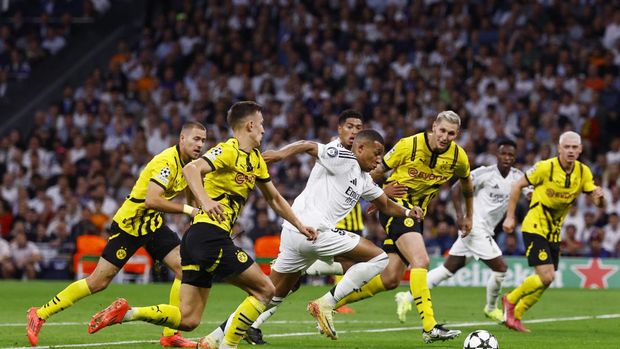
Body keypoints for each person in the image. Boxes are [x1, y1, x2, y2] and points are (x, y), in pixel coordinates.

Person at [87, 101, 317, 349]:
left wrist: (300, 225)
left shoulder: (256, 162)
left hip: (201, 238)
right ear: (250, 125)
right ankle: (228, 346)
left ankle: (127, 313)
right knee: (265, 290)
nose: (263, 129)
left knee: (188, 320)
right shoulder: (228, 150)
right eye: (261, 124)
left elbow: (274, 199)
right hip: (209, 235)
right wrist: (205, 202)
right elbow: (191, 169)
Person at [200, 128, 424, 347]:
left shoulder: (364, 179)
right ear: (360, 148)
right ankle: (326, 303)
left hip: (294, 232)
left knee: (269, 294)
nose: (379, 160)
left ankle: (213, 339)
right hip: (313, 230)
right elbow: (307, 145)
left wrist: (407, 212)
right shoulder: (343, 156)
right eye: (376, 153)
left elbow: (384, 204)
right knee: (379, 259)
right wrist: (280, 154)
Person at [26, 122, 207, 348]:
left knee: (183, 268)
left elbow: (189, 188)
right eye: (195, 139)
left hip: (152, 225)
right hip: (129, 226)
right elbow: (152, 199)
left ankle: (170, 335)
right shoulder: (166, 162)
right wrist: (189, 210)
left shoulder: (189, 164)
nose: (200, 144)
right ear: (182, 139)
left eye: (203, 140)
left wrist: (193, 217)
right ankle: (39, 313)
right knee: (98, 282)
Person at [328, 110, 473, 343]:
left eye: (452, 133)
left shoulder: (459, 157)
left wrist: (467, 216)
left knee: (391, 278)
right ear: (434, 126)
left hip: (417, 214)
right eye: (442, 130)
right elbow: (375, 172)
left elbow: (466, 184)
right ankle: (429, 327)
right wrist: (379, 195)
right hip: (396, 208)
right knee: (421, 261)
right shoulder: (409, 145)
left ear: (457, 135)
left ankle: (326, 303)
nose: (445, 137)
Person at [243, 109, 366, 345]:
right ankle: (315, 280)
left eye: (359, 128)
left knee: (281, 286)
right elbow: (307, 145)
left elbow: (368, 174)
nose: (354, 131)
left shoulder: (354, 160)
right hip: (308, 228)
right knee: (366, 260)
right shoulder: (336, 149)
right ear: (339, 129)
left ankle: (249, 326)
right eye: (349, 126)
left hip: (308, 228)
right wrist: (280, 155)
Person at [394, 139, 528, 323]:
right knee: (501, 268)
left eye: (510, 155)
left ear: (515, 157)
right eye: (503, 154)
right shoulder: (484, 173)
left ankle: (406, 296)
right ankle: (491, 308)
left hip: (486, 230)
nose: (506, 158)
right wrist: (460, 216)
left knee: (447, 269)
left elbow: (531, 192)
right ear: (496, 155)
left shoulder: (517, 177)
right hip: (474, 227)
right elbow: (457, 188)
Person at [501, 131, 605, 332]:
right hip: (535, 226)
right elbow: (517, 186)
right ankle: (510, 300)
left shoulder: (583, 172)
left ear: (581, 149)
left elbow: (598, 202)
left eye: (575, 147)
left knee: (547, 280)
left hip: (554, 232)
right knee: (546, 276)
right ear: (559, 148)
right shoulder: (544, 167)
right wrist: (510, 216)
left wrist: (600, 198)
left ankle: (516, 316)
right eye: (567, 147)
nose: (571, 151)